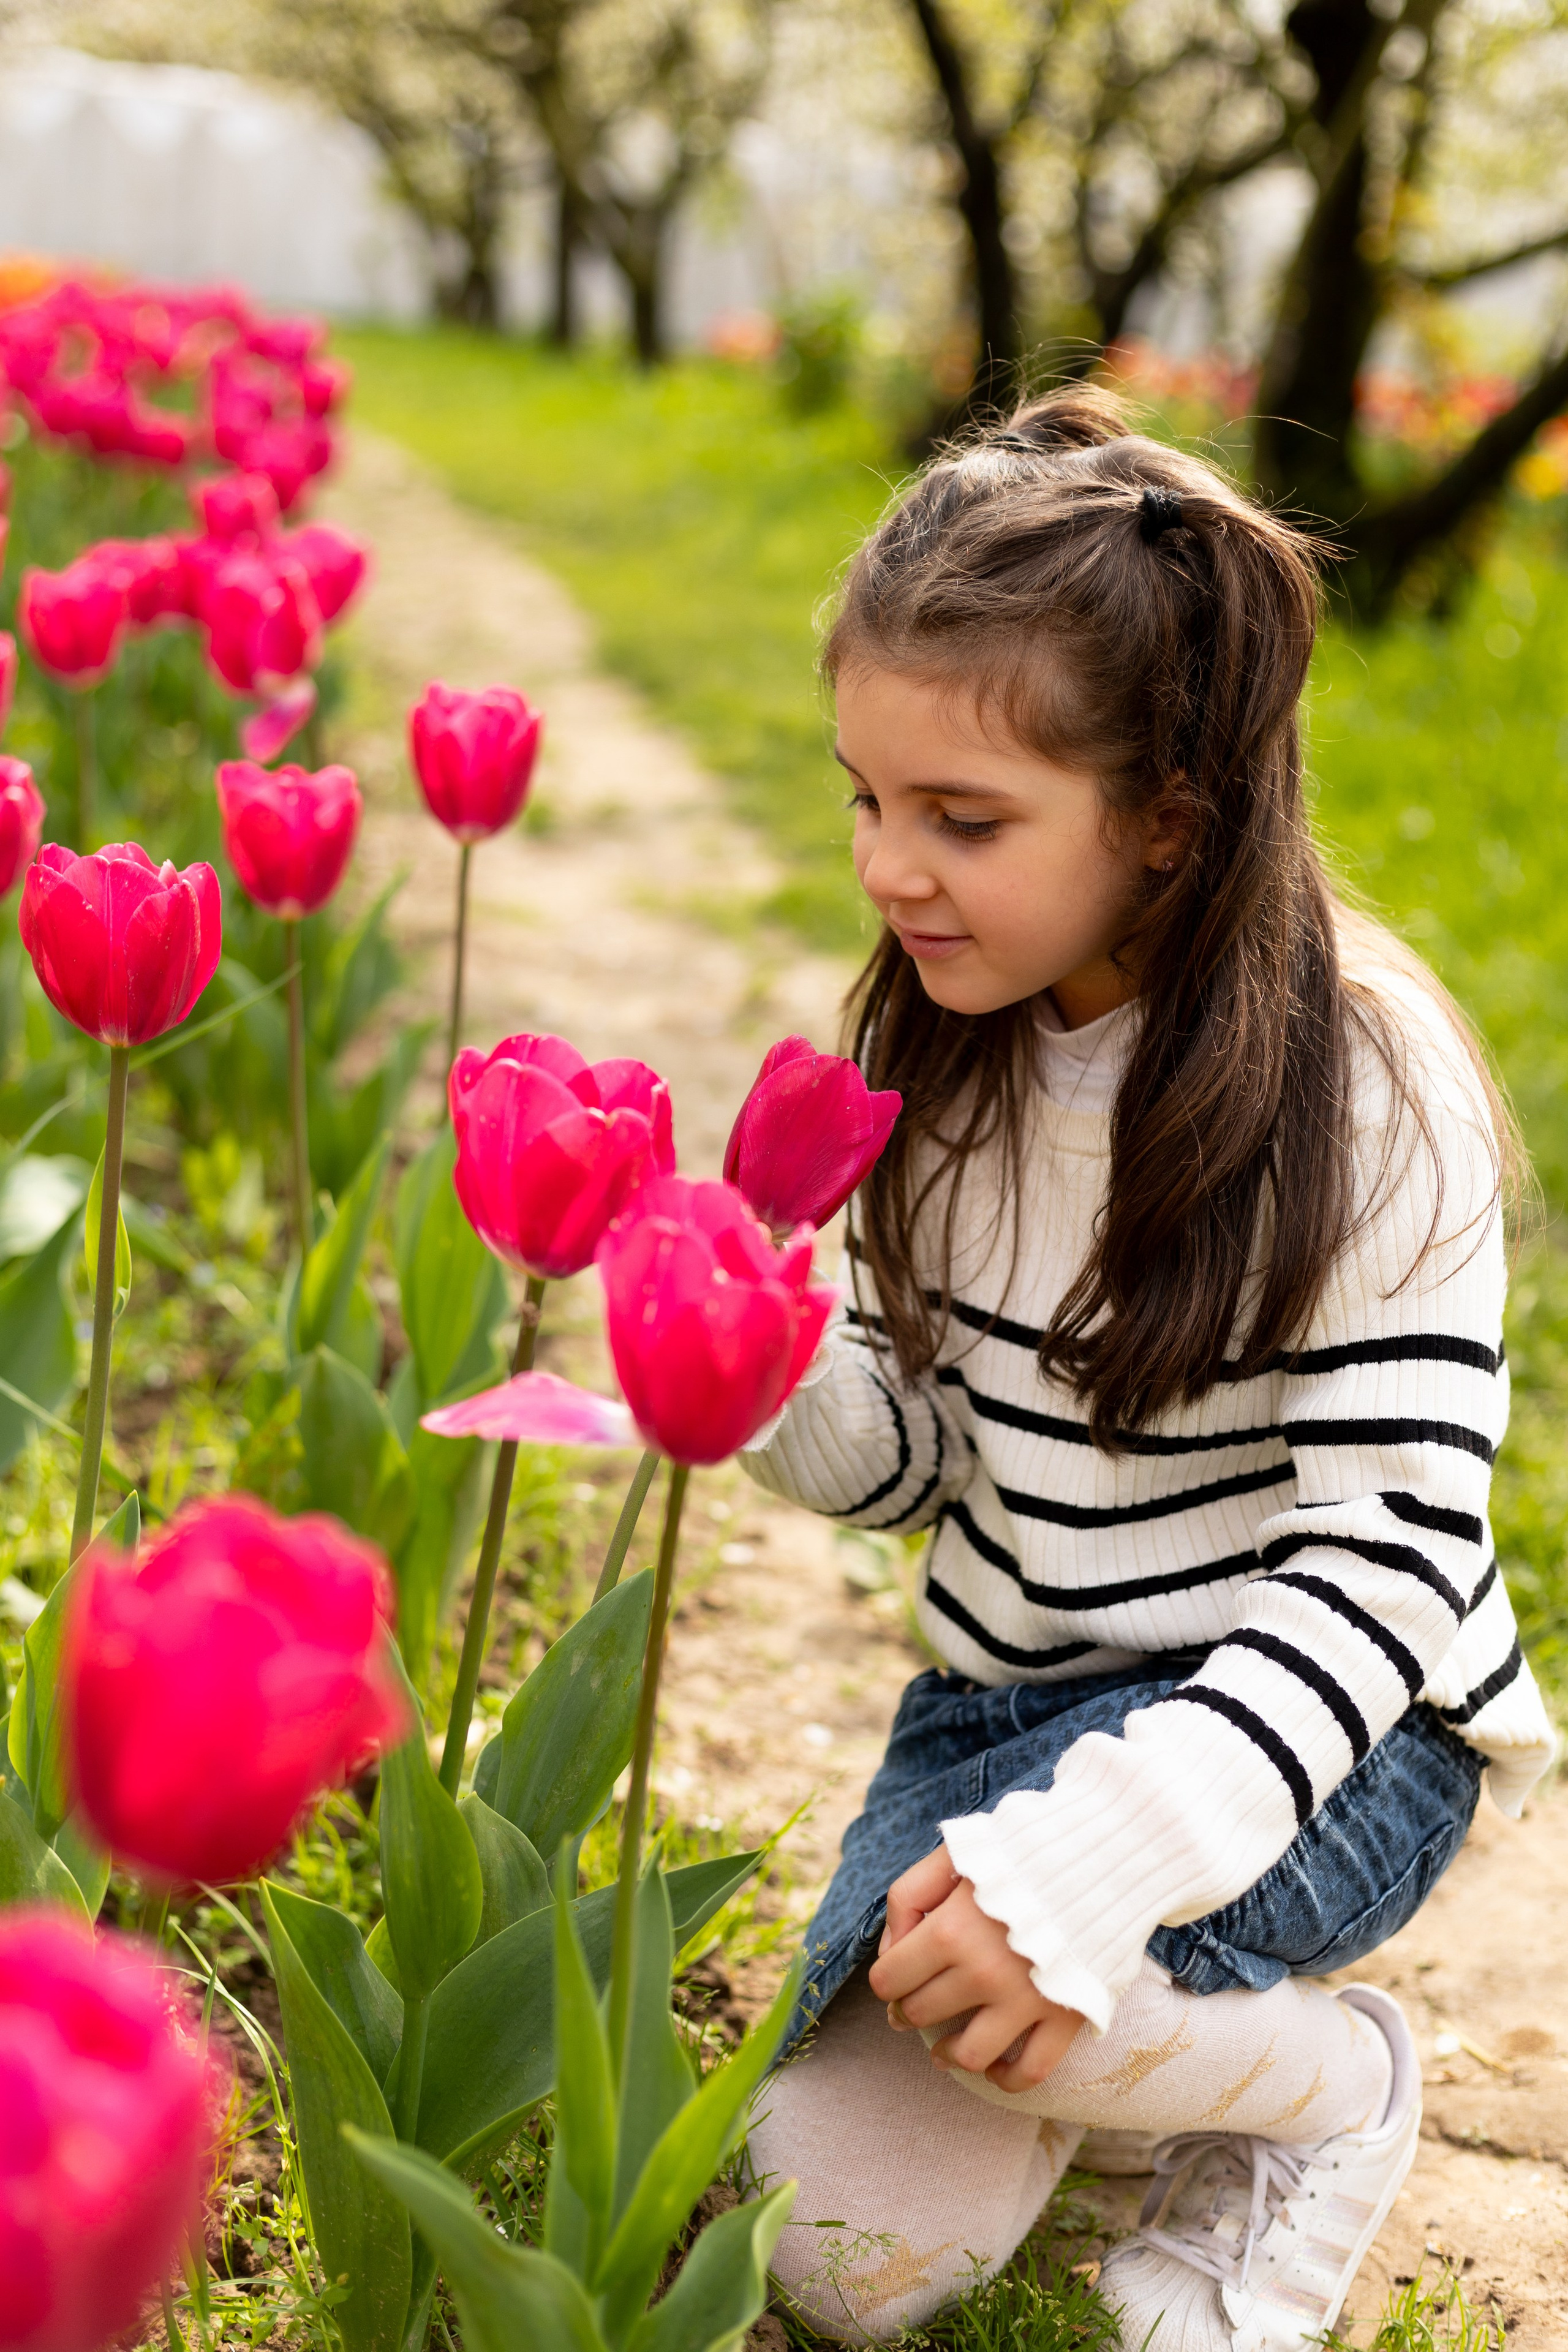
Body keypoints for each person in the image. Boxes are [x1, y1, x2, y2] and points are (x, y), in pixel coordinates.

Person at [737, 387, 1556, 2350]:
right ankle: (1117, 2061)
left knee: (1013, 2006)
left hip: (1332, 1737)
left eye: (964, 821)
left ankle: (1323, 2094)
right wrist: (756, 1345)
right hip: (1010, 1696)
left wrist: (1096, 1870)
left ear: (1170, 817)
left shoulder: (1365, 1089)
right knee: (835, 2258)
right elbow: (927, 1458)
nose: (888, 870)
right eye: (865, 796)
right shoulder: (944, 1046)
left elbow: (1375, 1575)